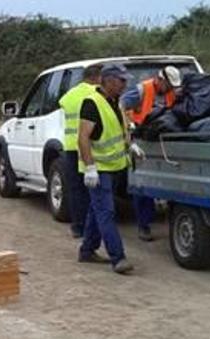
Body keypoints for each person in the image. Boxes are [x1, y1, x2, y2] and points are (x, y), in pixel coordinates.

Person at [77, 63, 139, 275]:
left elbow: (120, 129)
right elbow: (83, 137)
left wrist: (131, 145)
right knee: (106, 212)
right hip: (99, 169)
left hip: (114, 167)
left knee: (98, 210)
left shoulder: (115, 101)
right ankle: (118, 257)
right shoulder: (92, 103)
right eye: (122, 80)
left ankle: (87, 250)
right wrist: (90, 168)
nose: (125, 84)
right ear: (109, 80)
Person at [121, 66, 182, 242]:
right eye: (168, 85)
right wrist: (128, 129)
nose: (170, 89)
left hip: (163, 142)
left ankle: (167, 219)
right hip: (142, 142)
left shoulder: (171, 93)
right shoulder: (142, 90)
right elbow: (121, 105)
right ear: (160, 79)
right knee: (142, 185)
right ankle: (144, 225)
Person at [57, 65, 103, 238]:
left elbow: (61, 105)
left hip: (71, 147)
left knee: (76, 189)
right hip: (92, 147)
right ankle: (95, 226)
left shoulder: (69, 96)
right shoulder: (98, 94)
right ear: (97, 77)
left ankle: (78, 226)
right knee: (95, 188)